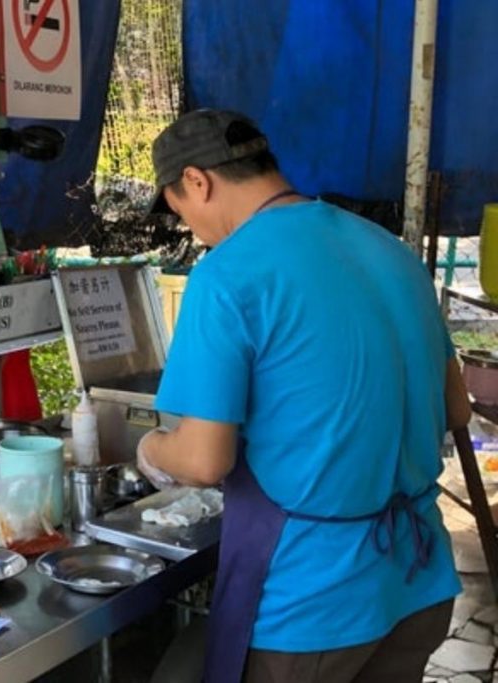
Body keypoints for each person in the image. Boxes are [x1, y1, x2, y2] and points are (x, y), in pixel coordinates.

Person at [136, 109, 470, 683]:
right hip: (417, 582)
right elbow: (457, 410)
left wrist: (151, 448)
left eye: (181, 210)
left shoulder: (229, 274)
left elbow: (203, 459)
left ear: (198, 181)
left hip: (315, 602)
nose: (191, 228)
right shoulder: (389, 250)